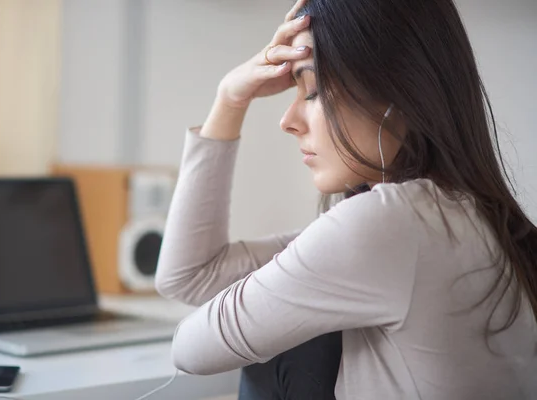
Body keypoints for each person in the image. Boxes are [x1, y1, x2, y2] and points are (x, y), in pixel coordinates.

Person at [155, 0, 537, 398]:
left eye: (313, 89)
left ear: (396, 91)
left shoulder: (392, 223)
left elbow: (189, 349)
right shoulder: (462, 214)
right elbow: (191, 277)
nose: (287, 121)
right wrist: (229, 98)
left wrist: (230, 100)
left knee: (285, 348)